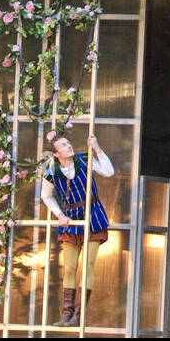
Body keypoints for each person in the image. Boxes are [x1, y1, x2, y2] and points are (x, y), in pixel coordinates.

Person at [40, 133, 114, 327]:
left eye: (68, 142)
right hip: (71, 220)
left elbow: (109, 172)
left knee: (88, 265)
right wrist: (59, 215)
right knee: (71, 267)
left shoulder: (83, 159)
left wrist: (97, 148)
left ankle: (79, 315)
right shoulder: (52, 169)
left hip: (93, 217)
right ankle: (67, 313)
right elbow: (46, 196)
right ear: (57, 153)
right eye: (63, 145)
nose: (69, 145)